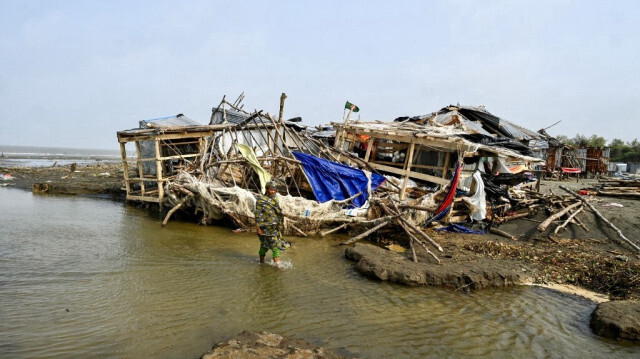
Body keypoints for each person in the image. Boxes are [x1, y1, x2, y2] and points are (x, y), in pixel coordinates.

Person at [254, 180, 289, 267]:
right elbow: (257, 215)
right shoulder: (261, 200)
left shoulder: (275, 198)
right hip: (265, 228)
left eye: (274, 189)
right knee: (264, 246)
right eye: (271, 189)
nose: (273, 191)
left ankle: (277, 265)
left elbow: (277, 212)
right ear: (266, 189)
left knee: (275, 247)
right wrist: (258, 229)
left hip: (275, 228)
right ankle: (262, 263)